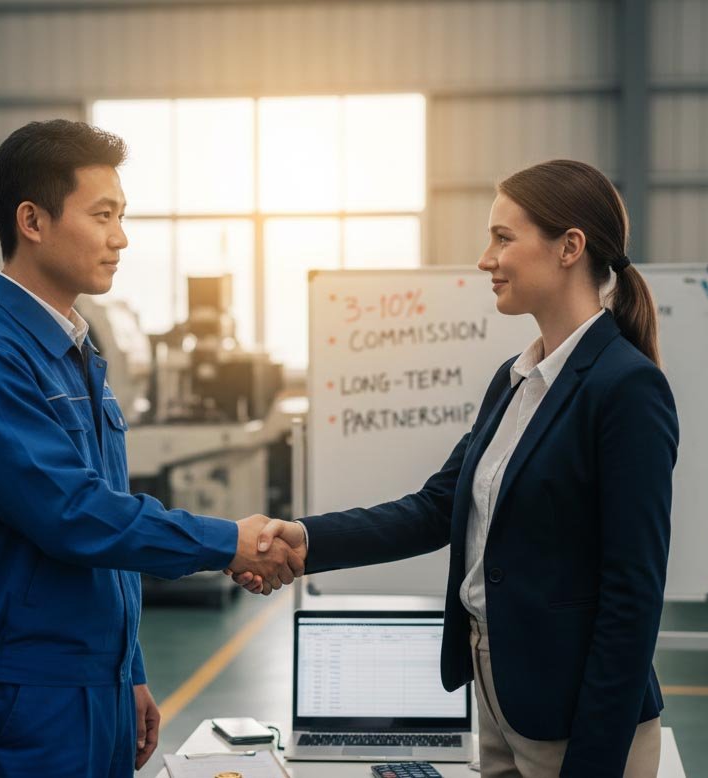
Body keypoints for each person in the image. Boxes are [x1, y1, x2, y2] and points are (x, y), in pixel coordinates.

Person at [240, 160, 679, 777]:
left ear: (569, 247)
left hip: (578, 721)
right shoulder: (517, 379)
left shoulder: (626, 387)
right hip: (500, 698)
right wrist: (305, 539)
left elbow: (633, 595)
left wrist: (593, 761)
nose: (485, 259)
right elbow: (437, 508)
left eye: (504, 238)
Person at [0, 119, 302, 777]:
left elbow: (107, 524)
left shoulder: (73, 353)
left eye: (121, 216)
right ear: (32, 221)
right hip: (21, 704)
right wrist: (226, 541)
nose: (120, 238)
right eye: (103, 215)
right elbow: (74, 514)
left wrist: (128, 667)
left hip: (89, 685)